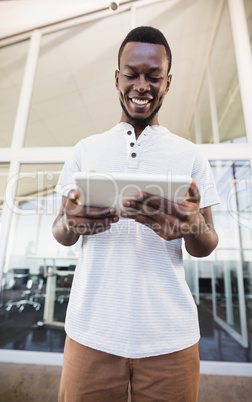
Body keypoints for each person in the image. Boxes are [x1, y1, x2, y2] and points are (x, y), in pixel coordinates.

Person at [53, 26, 219, 402]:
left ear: (168, 82)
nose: (141, 85)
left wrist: (192, 225)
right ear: (117, 78)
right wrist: (72, 222)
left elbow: (206, 243)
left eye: (153, 76)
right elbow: (60, 231)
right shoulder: (86, 149)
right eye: (131, 74)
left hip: (171, 339)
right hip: (90, 333)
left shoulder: (190, 154)